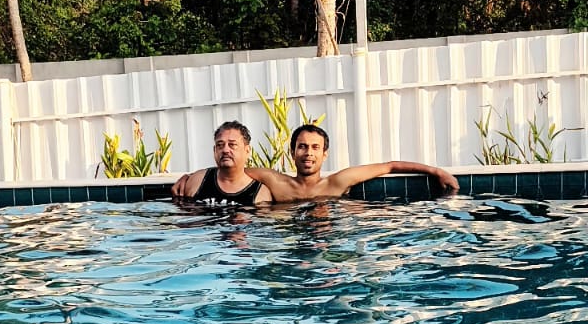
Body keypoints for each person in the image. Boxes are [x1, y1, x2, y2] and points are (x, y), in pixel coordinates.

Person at [172, 122, 458, 202]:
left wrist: (435, 171)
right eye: (302, 147)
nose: (308, 153)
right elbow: (231, 166)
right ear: (292, 153)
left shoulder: (338, 182)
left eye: (314, 148)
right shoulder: (275, 182)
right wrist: (190, 178)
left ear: (324, 154)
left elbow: (390, 166)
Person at [174, 120, 273, 205]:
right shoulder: (198, 181)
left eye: (232, 145)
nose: (225, 150)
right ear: (214, 150)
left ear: (247, 151)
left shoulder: (259, 194)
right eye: (220, 145)